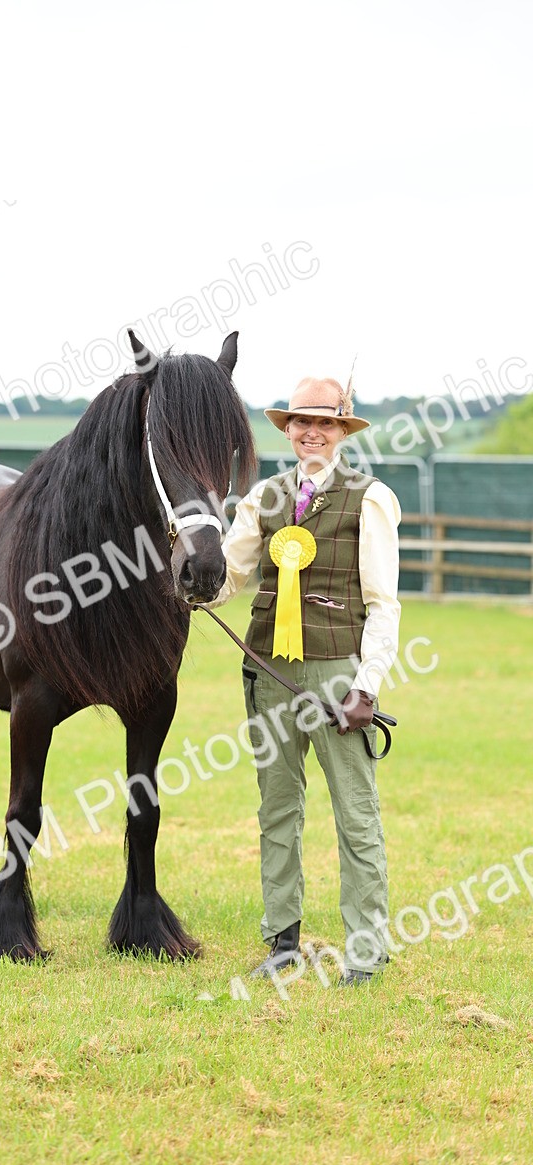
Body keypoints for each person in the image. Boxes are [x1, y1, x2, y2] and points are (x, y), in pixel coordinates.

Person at [212, 376, 401, 986]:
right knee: (277, 811)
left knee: (356, 814)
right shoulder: (263, 498)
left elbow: (383, 603)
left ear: (342, 431)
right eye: (300, 423)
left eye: (324, 424)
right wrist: (187, 572)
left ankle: (367, 952)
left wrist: (366, 687)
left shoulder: (370, 498)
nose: (311, 433)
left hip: (339, 674)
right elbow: (228, 577)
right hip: (269, 673)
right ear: (287, 431)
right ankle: (282, 943)